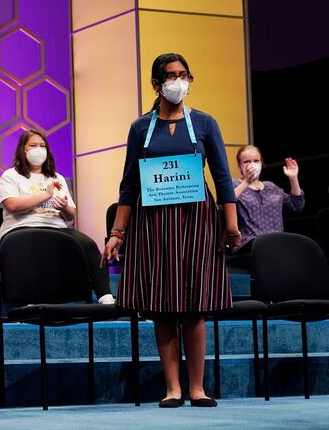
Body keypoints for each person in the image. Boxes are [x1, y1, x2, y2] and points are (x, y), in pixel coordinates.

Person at [102, 53, 241, 408]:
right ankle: (172, 388)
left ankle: (197, 388)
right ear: (156, 84)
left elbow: (223, 178)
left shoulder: (205, 123)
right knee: (162, 306)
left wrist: (231, 225)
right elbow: (129, 185)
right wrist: (117, 234)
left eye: (183, 75)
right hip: (154, 224)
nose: (178, 82)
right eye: (170, 76)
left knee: (195, 306)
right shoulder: (140, 128)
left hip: (197, 222)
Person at [0, 129, 115, 304]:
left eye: (42, 146)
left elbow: (71, 215)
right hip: (21, 228)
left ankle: (105, 297)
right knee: (38, 243)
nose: (38, 149)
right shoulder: (11, 175)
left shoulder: (56, 177)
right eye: (33, 145)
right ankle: (28, 299)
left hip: (56, 227)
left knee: (88, 244)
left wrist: (64, 207)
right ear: (23, 149)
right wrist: (46, 195)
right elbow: (12, 205)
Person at [227, 145, 305, 269]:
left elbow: (297, 206)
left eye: (256, 161)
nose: (252, 164)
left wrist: (293, 178)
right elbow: (226, 203)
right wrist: (246, 182)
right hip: (250, 246)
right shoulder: (234, 185)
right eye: (247, 162)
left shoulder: (271, 187)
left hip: (277, 244)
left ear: (261, 163)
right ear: (239, 165)